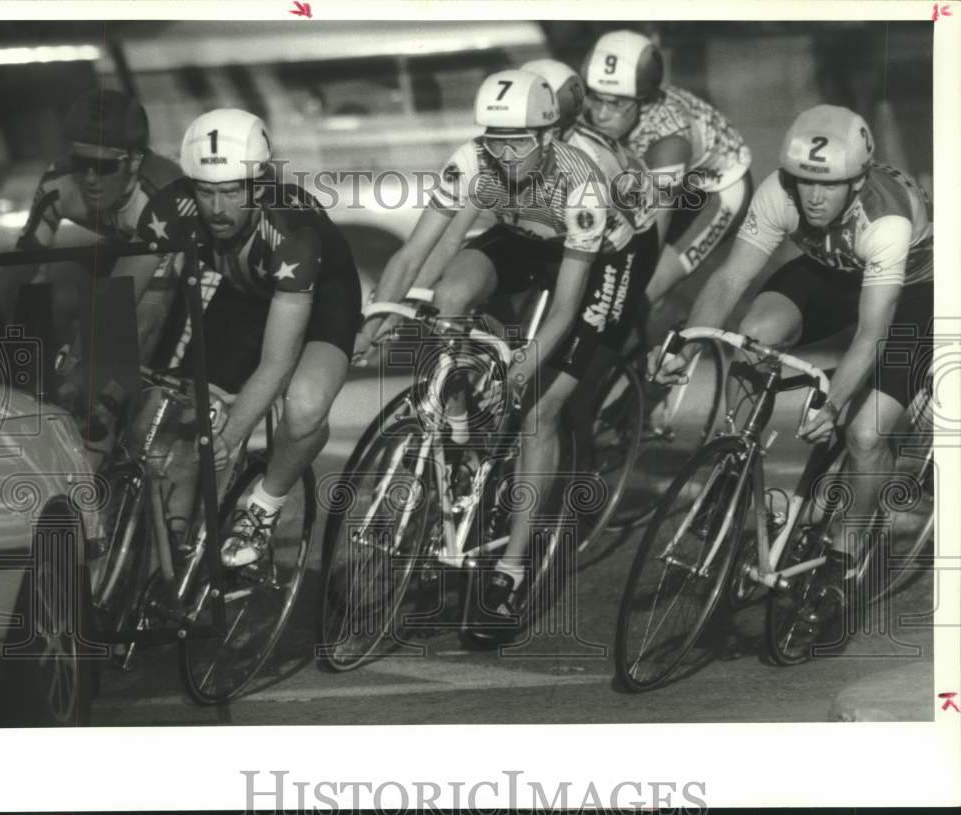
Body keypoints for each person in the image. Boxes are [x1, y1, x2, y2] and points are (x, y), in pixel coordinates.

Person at [356, 70, 659, 639]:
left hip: (604, 261)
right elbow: (415, 251)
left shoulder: (582, 183)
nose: (501, 154)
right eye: (493, 140)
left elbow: (568, 306)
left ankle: (510, 572)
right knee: (450, 296)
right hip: (527, 236)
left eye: (515, 142)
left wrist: (522, 370)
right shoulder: (473, 161)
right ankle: (464, 439)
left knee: (539, 408)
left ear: (548, 138)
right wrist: (377, 317)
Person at [649, 105, 933, 642]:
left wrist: (834, 404)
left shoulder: (886, 220)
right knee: (753, 334)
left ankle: (841, 564)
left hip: (914, 290)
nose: (814, 197)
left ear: (860, 181)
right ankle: (733, 464)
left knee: (866, 431)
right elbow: (731, 279)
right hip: (833, 270)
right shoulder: (777, 193)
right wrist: (686, 344)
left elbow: (872, 333)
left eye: (830, 187)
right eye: (804, 183)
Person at [140, 108, 361, 568]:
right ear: (189, 187)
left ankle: (263, 508)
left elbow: (277, 363)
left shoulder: (290, 231)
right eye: (205, 192)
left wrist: (230, 434)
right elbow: (147, 305)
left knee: (303, 407)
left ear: (259, 186)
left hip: (322, 301)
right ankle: (169, 551)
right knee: (187, 411)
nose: (217, 210)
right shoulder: (169, 210)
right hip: (245, 296)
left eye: (230, 192)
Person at [582, 30, 753, 308]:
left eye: (617, 104)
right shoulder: (591, 110)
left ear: (644, 101)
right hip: (654, 172)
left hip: (716, 188)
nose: (601, 113)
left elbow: (652, 236)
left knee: (636, 293)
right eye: (597, 98)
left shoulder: (669, 138)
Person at [15, 89, 185, 365]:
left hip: (192, 257)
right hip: (126, 242)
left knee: (138, 326)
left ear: (135, 160)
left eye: (104, 166)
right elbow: (19, 274)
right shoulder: (59, 184)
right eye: (81, 163)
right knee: (55, 293)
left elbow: (135, 315)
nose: (91, 178)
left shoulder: (160, 196)